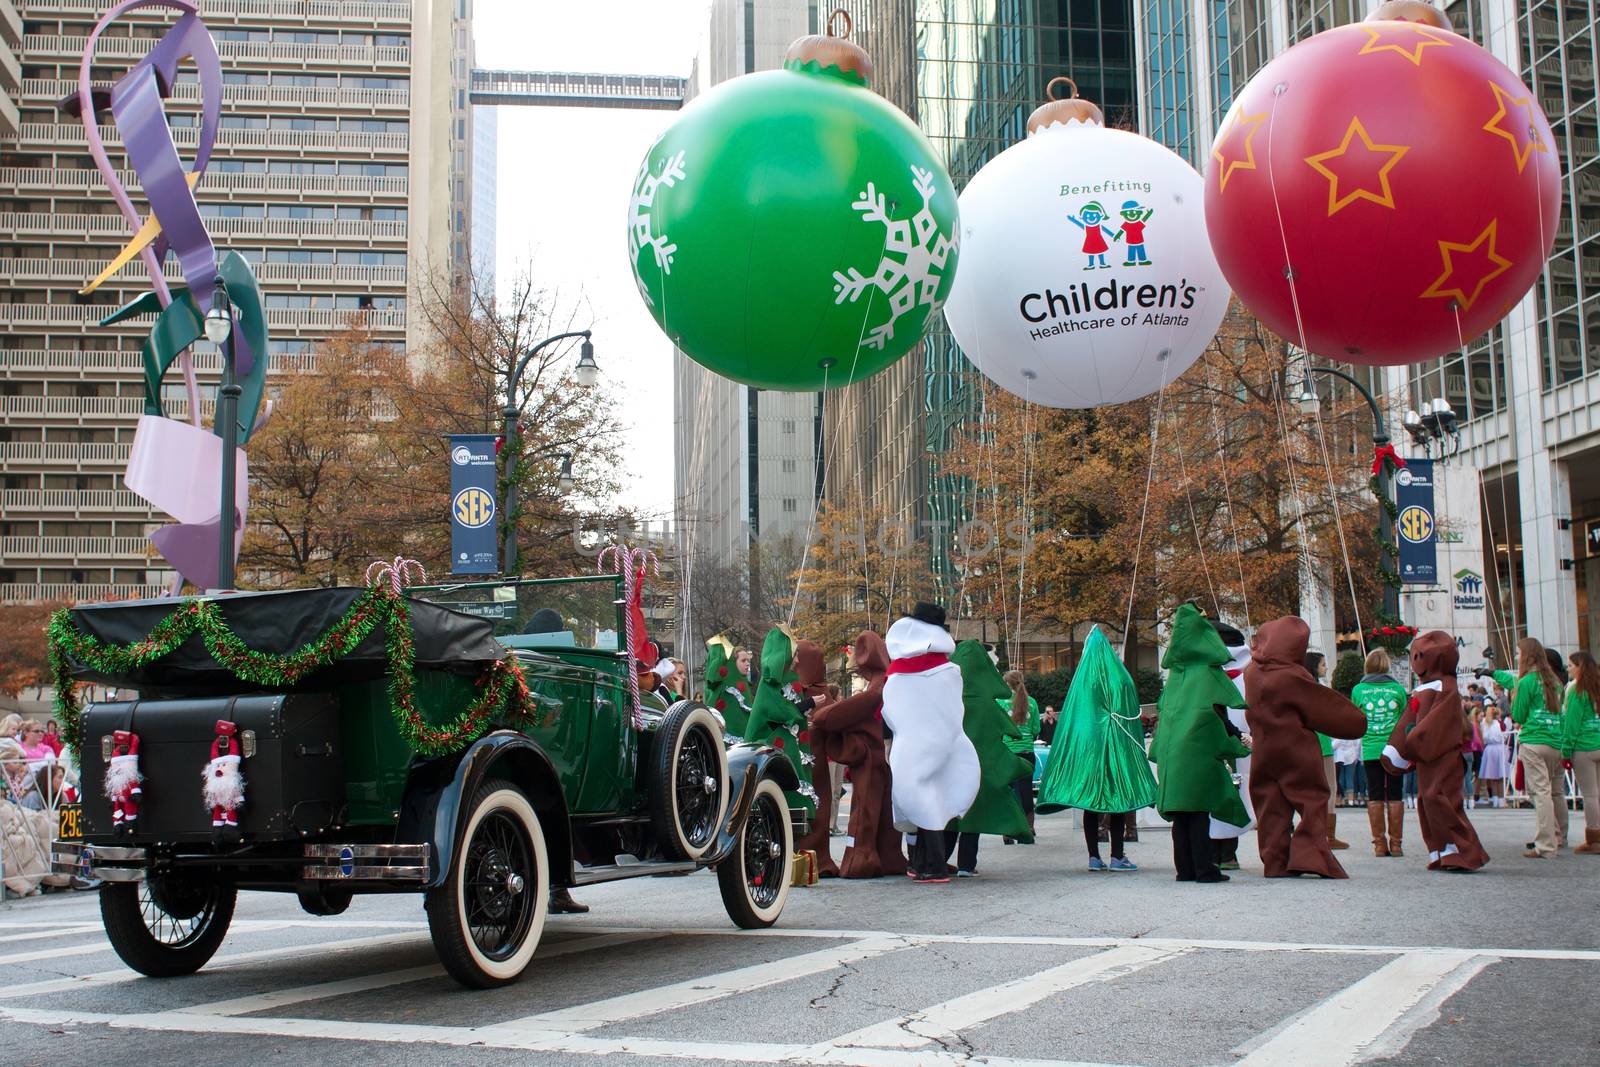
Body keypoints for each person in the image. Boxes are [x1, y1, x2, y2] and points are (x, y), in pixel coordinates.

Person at [1243, 618, 1366, 878]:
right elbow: (1325, 709)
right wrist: (1356, 722)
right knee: (1311, 798)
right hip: (1295, 748)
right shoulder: (1291, 675)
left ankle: (1275, 861)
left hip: (1264, 748)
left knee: (1270, 804)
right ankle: (1310, 856)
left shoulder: (1251, 672)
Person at [1036, 625, 1157, 872]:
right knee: (1117, 801)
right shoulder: (1120, 679)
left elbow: (1074, 720)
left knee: (1090, 804)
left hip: (1089, 750)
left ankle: (1094, 856)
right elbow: (1130, 712)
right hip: (1115, 748)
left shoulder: (1082, 683)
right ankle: (1117, 856)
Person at [1149, 604, 1252, 884]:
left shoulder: (1175, 678)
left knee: (1182, 817)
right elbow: (1217, 712)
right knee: (1199, 814)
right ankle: (1206, 869)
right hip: (1197, 753)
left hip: (1174, 754)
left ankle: (1185, 870)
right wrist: (1237, 741)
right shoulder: (1208, 673)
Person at [881, 603, 979, 884]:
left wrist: (890, 741)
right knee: (930, 800)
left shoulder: (899, 674)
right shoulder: (949, 671)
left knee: (920, 801)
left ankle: (931, 864)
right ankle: (925, 862)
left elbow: (890, 711)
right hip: (943, 743)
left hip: (912, 745)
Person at [1379, 631, 1489, 872]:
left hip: (1443, 754)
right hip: (1426, 756)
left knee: (1441, 798)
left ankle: (1463, 850)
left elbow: (1434, 722)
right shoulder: (1424, 688)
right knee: (1426, 799)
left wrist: (1412, 742)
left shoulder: (1446, 687)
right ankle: (1440, 849)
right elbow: (1408, 717)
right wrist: (1395, 748)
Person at [808, 631, 906, 878]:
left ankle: (859, 858)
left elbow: (836, 716)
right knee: (879, 810)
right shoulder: (885, 682)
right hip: (877, 755)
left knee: (865, 810)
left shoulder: (876, 688)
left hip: (870, 756)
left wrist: (822, 715)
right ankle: (884, 855)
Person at [948, 641, 1034, 874]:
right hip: (979, 765)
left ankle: (939, 860)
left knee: (950, 812)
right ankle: (966, 864)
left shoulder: (950, 699)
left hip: (951, 764)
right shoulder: (987, 704)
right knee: (973, 812)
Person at [1495, 637, 1568, 858]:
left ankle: (1545, 845)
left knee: (1541, 792)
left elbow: (1517, 715)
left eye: (1519, 653)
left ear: (1527, 655)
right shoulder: (1555, 681)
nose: (1517, 657)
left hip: (1534, 740)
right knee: (1557, 791)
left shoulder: (1527, 682)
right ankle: (1560, 837)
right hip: (1555, 741)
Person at [1354, 648, 1408, 856]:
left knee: (1375, 794)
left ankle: (1379, 844)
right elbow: (1405, 717)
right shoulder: (1397, 689)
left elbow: (1356, 716)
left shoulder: (1359, 689)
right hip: (1394, 749)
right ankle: (1396, 844)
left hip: (1370, 747)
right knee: (1395, 794)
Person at [1303, 652, 1349, 850]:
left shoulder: (1301, 687)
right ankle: (1328, 835)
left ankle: (1312, 833)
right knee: (1329, 788)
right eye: (1323, 664)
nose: (1326, 668)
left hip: (1305, 743)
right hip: (1322, 741)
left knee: (1310, 789)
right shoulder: (1320, 689)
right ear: (1314, 667)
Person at [1564, 650, 1600, 855]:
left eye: (1570, 665)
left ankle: (1594, 839)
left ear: (1580, 667)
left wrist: (1566, 751)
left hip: (1584, 746)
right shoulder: (1597, 688)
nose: (1568, 669)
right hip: (1598, 741)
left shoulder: (1576, 689)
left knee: (1590, 795)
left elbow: (1571, 723)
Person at [1000, 669, 1041, 842]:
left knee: (1008, 792)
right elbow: (1035, 729)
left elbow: (999, 728)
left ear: (1007, 684)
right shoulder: (1032, 702)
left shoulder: (1001, 703)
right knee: (1025, 792)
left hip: (1008, 753)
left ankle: (1008, 830)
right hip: (1027, 753)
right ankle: (1029, 828)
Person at [1478, 706, 1509, 807]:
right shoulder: (1500, 724)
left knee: (1492, 776)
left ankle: (1495, 799)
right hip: (1500, 748)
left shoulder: (1484, 723)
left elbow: (1483, 736)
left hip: (1489, 749)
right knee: (1500, 776)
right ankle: (1501, 800)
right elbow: (1506, 735)